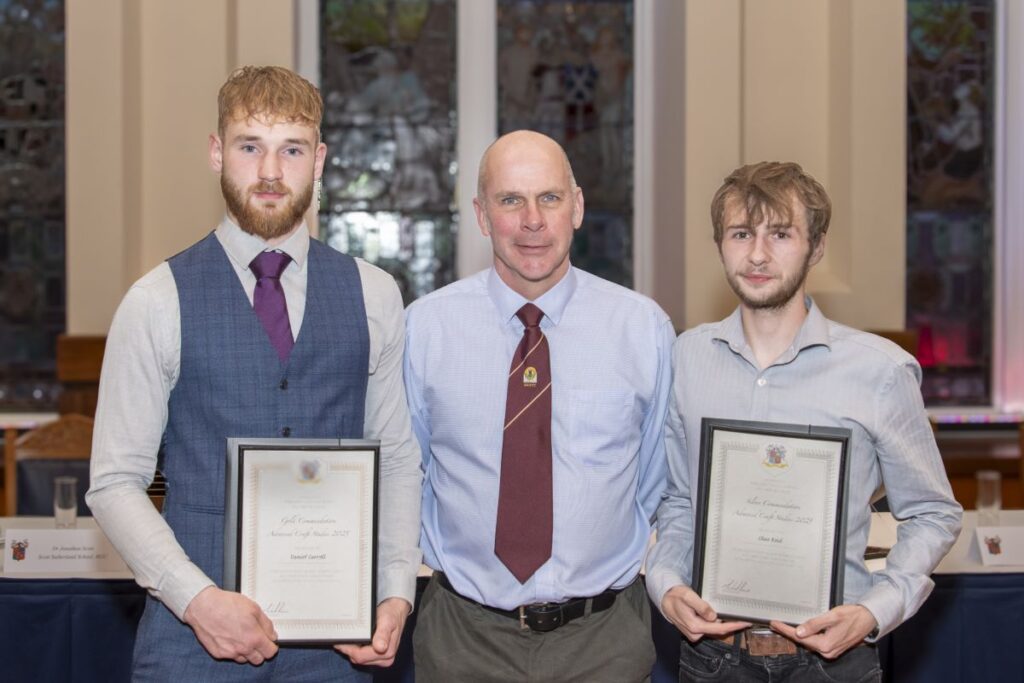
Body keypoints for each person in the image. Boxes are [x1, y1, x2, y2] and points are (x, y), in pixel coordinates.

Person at [87, 66, 422, 680]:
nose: (270, 173)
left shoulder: (375, 294)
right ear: (217, 153)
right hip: (192, 643)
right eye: (250, 147)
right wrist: (197, 600)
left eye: (291, 150)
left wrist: (397, 589)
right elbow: (114, 482)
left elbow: (397, 456)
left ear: (318, 161)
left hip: (336, 650)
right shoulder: (156, 300)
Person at [645, 161, 963, 681]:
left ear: (816, 247)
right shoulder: (686, 359)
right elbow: (679, 500)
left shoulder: (879, 372)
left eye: (781, 234)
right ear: (720, 244)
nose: (758, 254)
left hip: (834, 663)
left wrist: (875, 610)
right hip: (712, 659)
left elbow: (933, 513)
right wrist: (667, 583)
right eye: (741, 233)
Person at [403, 129, 674, 682]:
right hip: (462, 638)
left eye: (549, 198)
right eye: (510, 200)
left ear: (576, 207)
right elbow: (408, 474)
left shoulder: (642, 330)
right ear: (481, 215)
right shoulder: (425, 329)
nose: (532, 220)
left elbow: (655, 481)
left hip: (604, 641)